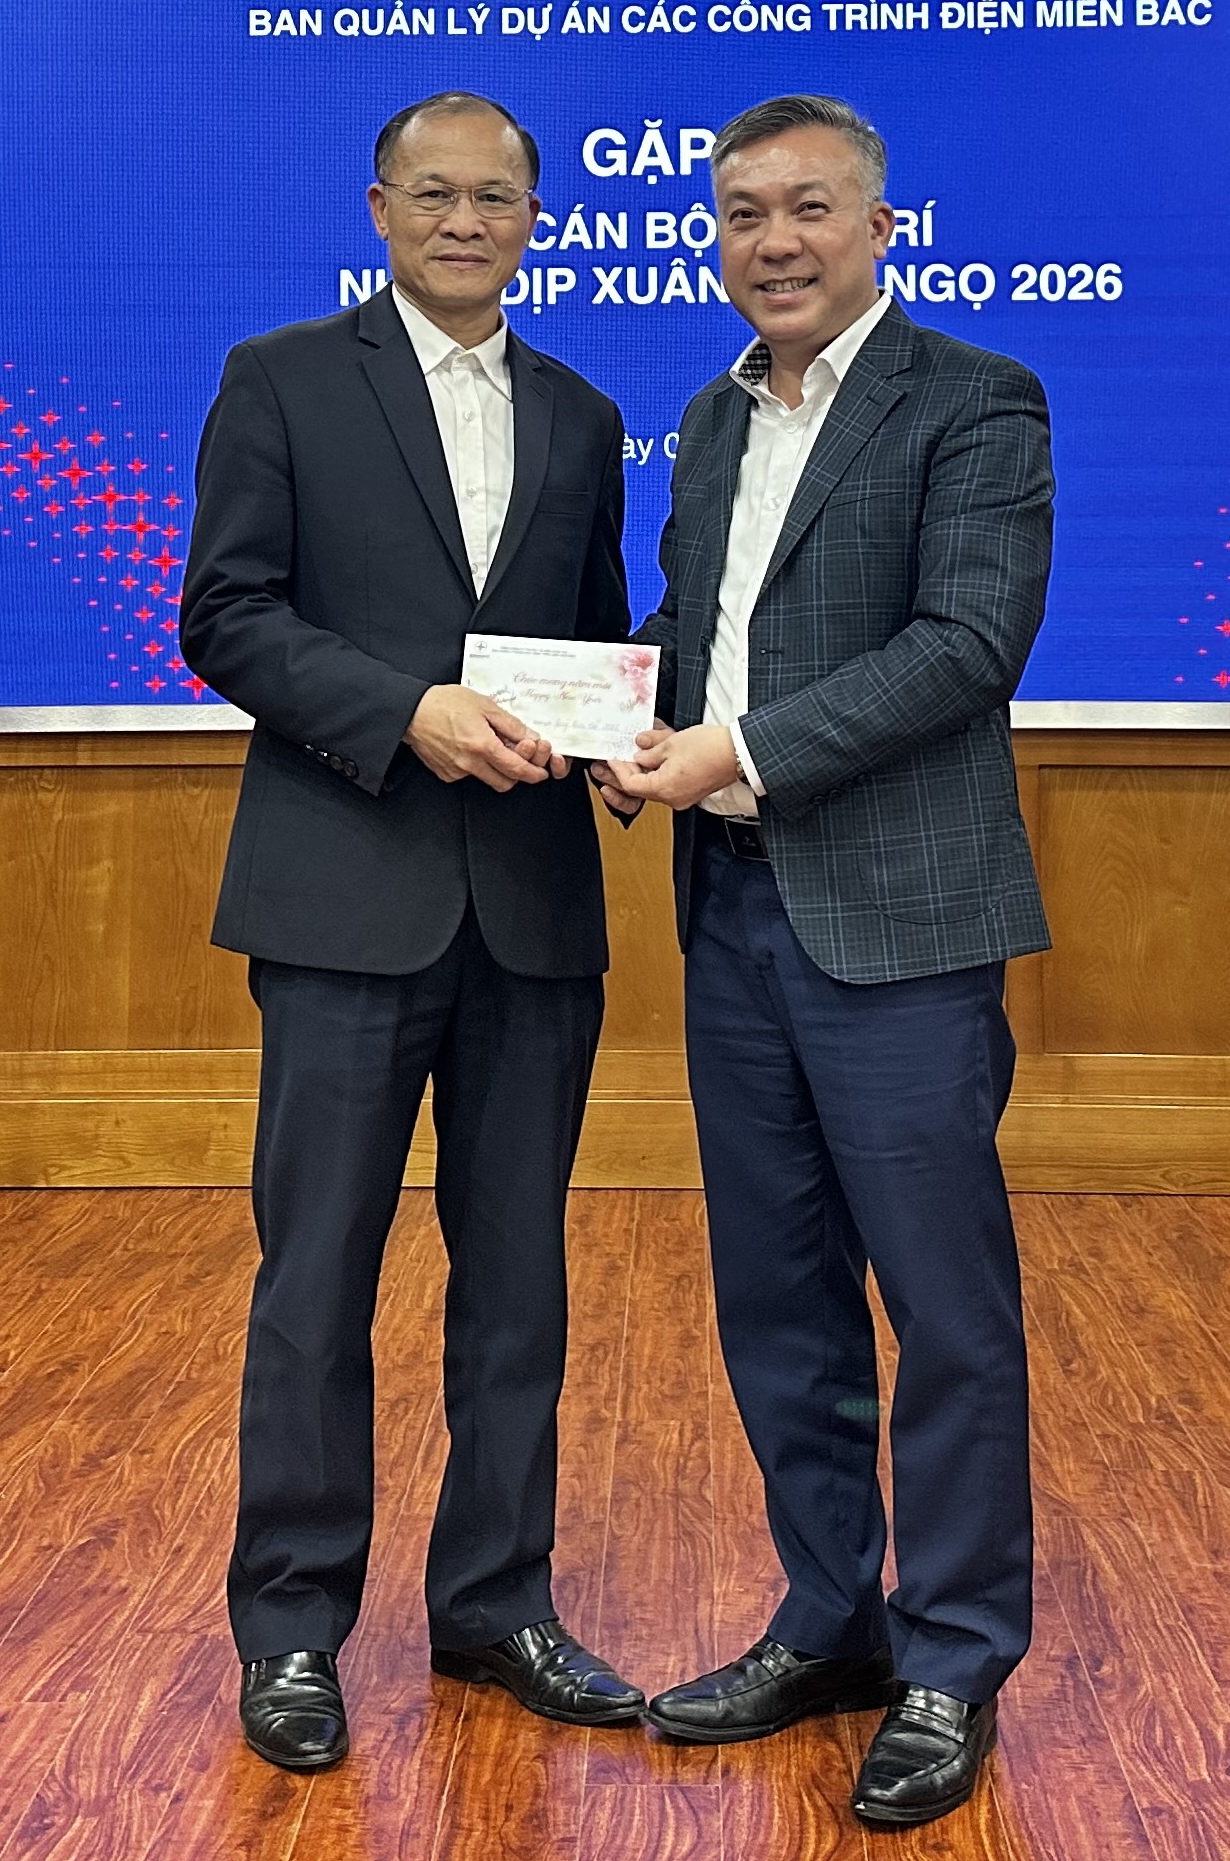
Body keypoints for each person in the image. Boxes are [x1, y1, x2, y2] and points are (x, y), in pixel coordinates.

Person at [602, 93, 1054, 1829]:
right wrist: (608, 717)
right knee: (777, 1298)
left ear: (881, 226)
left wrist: (735, 750)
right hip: (729, 915)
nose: (772, 242)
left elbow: (964, 642)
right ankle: (829, 1618)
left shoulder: (975, 399)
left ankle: (952, 1657)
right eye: (740, 213)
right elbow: (706, 638)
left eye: (807, 208)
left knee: (942, 1309)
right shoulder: (714, 421)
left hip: (900, 925)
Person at [179, 90, 644, 1772]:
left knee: (517, 1285)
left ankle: (496, 1603)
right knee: (315, 1280)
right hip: (339, 897)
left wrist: (625, 737)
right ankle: (291, 1626)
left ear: (535, 220)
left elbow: (588, 640)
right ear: (378, 207)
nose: (463, 220)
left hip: (530, 916)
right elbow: (224, 614)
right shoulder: (280, 378)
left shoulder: (583, 415)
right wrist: (405, 711)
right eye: (433, 193)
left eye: (494, 196)